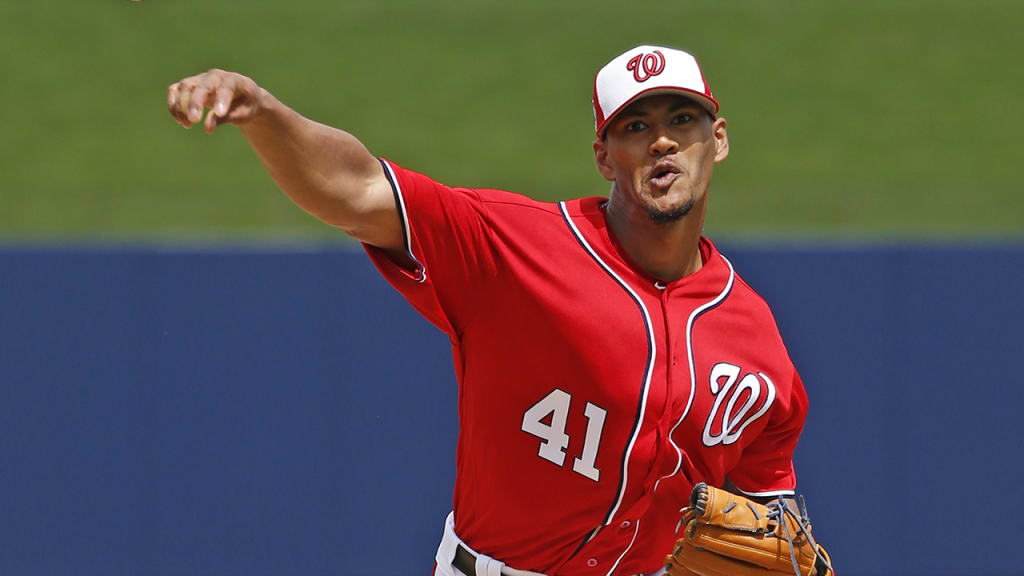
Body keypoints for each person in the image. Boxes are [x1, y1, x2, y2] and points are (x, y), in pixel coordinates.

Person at [168, 45, 822, 576]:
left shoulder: (754, 334)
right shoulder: (514, 246)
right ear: (603, 156)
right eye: (635, 126)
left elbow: (772, 503)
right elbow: (358, 187)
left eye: (682, 120)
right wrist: (262, 113)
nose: (661, 142)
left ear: (719, 140)